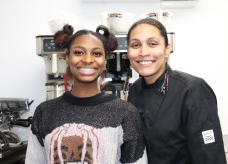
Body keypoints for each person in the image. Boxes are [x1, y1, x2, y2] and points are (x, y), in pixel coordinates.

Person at [25, 24, 147, 164]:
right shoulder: (44, 112)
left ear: (105, 61)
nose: (88, 60)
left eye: (96, 53)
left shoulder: (125, 112)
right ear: (67, 58)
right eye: (78, 52)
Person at [127, 18, 227, 164]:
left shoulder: (193, 90)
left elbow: (210, 156)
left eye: (152, 44)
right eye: (135, 45)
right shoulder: (135, 90)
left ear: (167, 49)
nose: (143, 52)